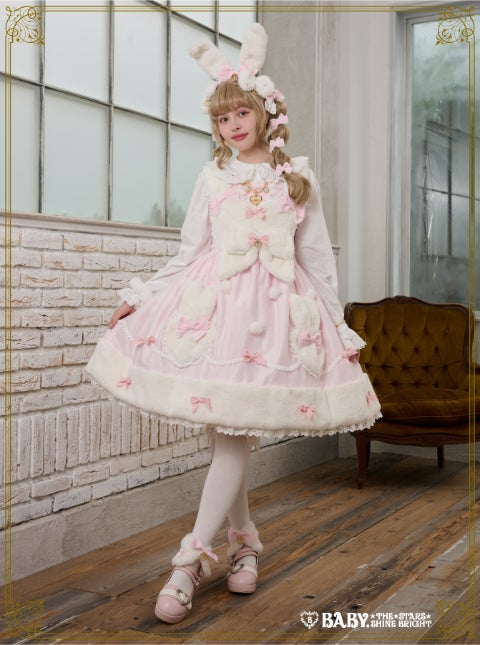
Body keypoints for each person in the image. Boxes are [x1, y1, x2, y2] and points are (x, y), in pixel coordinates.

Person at [86, 23, 381, 625]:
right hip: (216, 314)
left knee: (230, 439)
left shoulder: (298, 177)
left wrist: (338, 328)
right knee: (228, 436)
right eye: (223, 119)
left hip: (273, 319)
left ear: (266, 112)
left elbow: (317, 261)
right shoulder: (212, 177)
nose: (232, 126)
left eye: (242, 113)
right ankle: (243, 544)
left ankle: (189, 563)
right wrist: (140, 298)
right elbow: (189, 251)